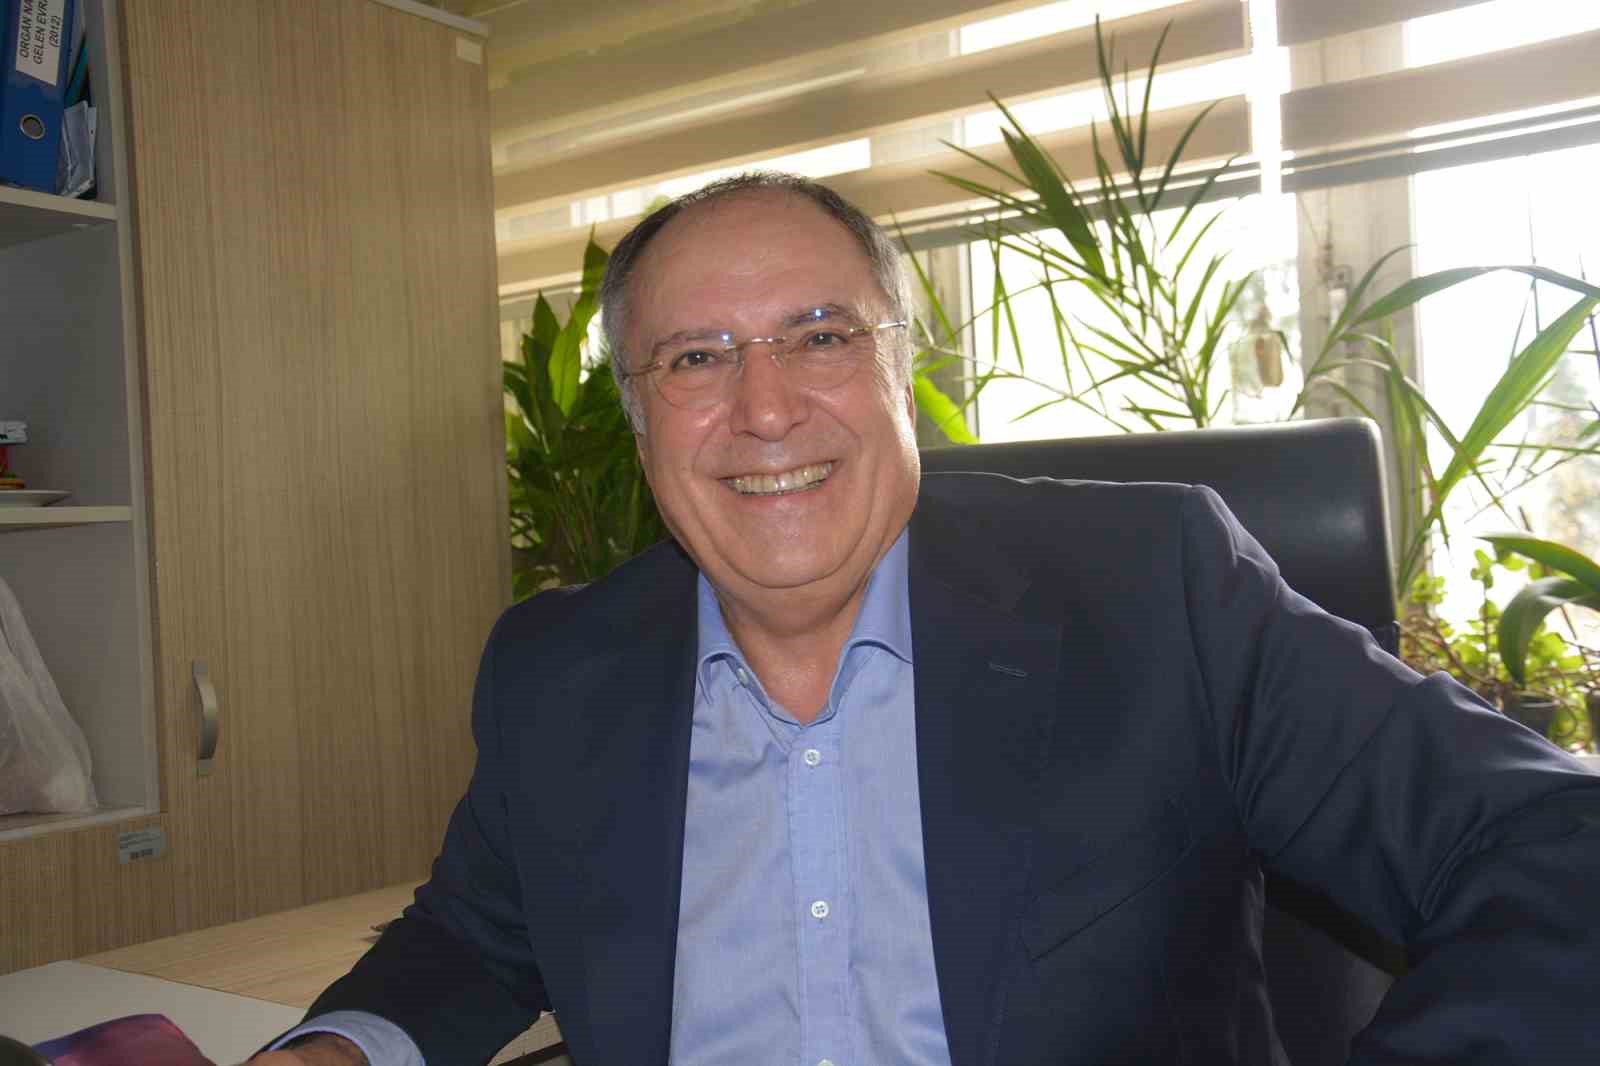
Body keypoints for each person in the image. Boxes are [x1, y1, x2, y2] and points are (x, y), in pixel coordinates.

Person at [256, 173, 1600, 1066]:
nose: (765, 407)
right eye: (697, 357)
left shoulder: (1155, 593)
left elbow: (1548, 839)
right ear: (641, 420)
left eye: (821, 335)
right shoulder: (559, 671)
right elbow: (475, 937)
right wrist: (337, 1048)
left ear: (905, 371)